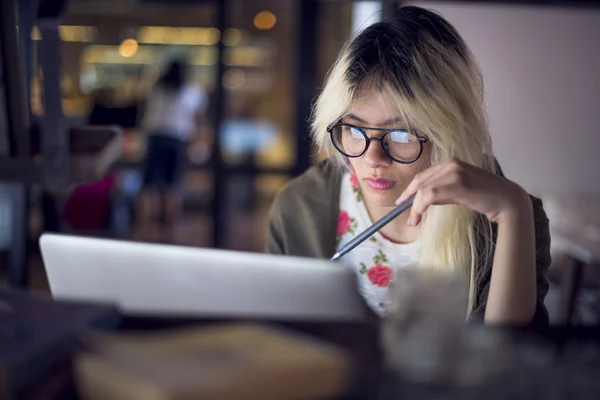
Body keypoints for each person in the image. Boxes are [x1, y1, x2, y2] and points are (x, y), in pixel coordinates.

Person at [266, 6, 551, 326]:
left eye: (401, 133)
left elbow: (506, 360)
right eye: (355, 130)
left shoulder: (512, 219)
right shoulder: (299, 205)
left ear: (449, 133)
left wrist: (514, 211)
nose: (372, 158)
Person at [138, 60, 208, 235]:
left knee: (150, 184)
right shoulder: (192, 92)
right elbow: (198, 119)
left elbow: (144, 113)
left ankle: (147, 227)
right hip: (177, 139)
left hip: (155, 136)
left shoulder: (155, 89)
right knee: (173, 184)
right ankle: (171, 226)